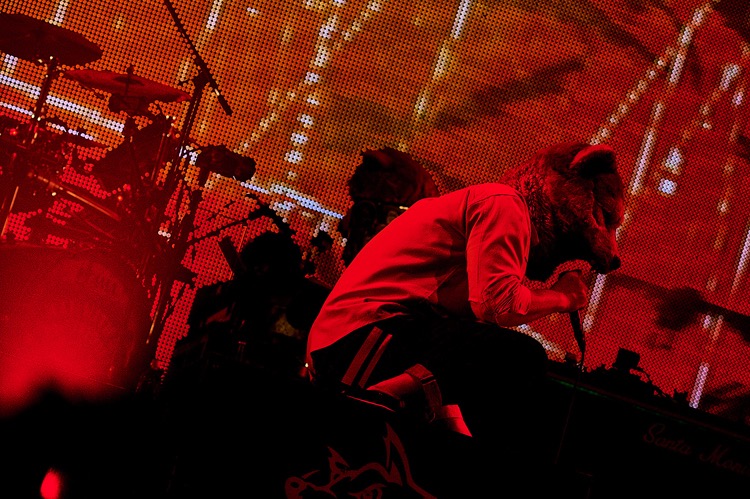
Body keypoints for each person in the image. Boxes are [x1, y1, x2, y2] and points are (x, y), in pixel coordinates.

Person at [305, 141, 625, 454]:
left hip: (377, 336)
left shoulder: (492, 212)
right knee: (519, 355)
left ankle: (435, 427)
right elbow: (498, 305)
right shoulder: (505, 204)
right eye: (602, 218)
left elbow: (461, 334)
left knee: (489, 361)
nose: (612, 248)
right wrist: (562, 297)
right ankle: (380, 399)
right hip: (356, 341)